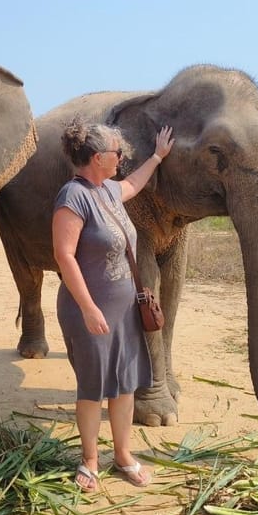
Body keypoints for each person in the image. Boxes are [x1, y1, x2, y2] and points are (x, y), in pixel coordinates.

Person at [52, 119, 174, 492]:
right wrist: (88, 307)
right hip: (88, 311)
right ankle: (90, 459)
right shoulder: (72, 196)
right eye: (116, 152)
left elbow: (134, 183)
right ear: (96, 156)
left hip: (124, 313)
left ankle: (122, 455)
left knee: (123, 388)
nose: (121, 157)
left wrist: (157, 156)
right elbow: (64, 255)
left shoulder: (106, 190)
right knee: (93, 388)